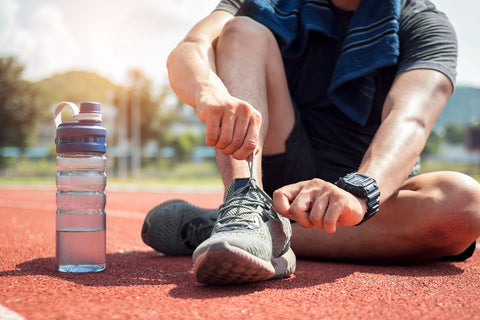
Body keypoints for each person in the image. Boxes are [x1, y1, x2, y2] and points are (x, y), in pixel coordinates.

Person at [141, 0, 480, 285]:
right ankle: (246, 208)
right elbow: (190, 48)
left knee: (464, 206)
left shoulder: (423, 22)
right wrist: (209, 92)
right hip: (280, 169)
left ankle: (245, 232)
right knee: (243, 30)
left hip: (368, 193)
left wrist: (361, 191)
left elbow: (410, 118)